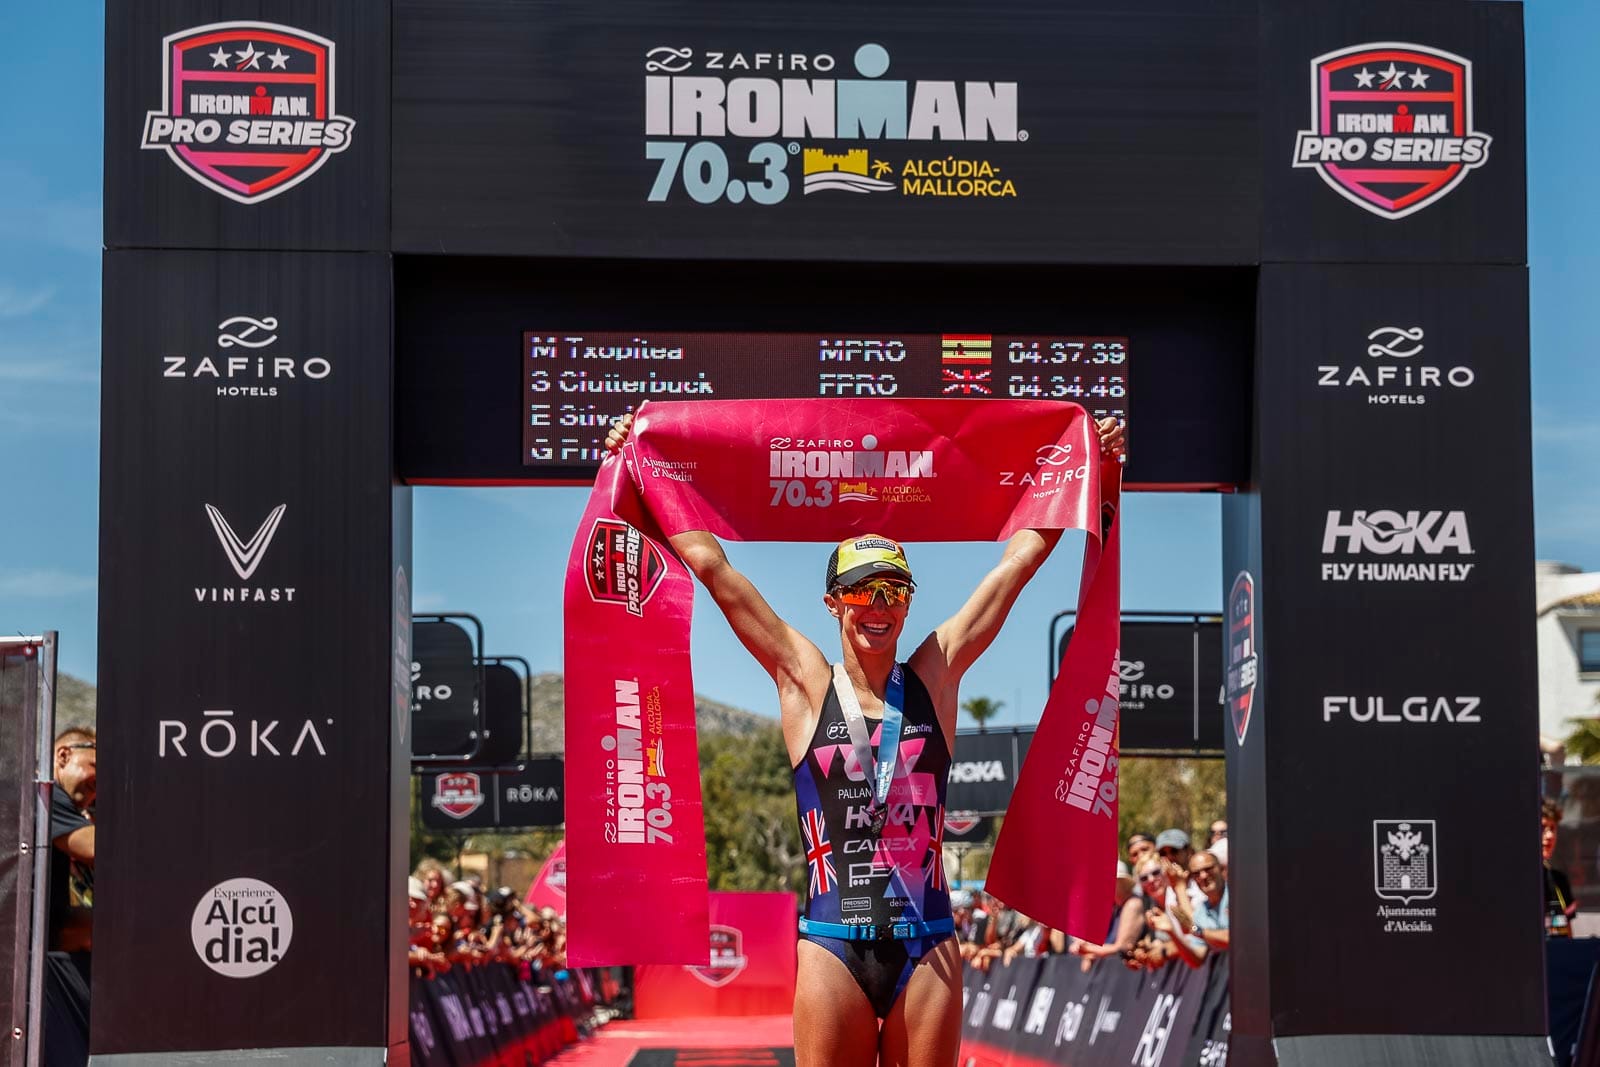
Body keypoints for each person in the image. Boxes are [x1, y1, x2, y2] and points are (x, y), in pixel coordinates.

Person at [604, 411, 1126, 1067]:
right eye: (861, 592)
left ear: (907, 601)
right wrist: (643, 468)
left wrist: (1086, 470)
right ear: (833, 602)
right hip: (833, 944)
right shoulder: (805, 681)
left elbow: (1017, 565)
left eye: (893, 591)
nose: (878, 606)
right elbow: (713, 568)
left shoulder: (935, 674)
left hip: (927, 943)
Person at [1543, 799, 1576, 937]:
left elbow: (1568, 937)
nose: (1549, 835)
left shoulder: (1559, 880)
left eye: (1552, 828)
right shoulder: (1515, 881)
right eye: (1543, 828)